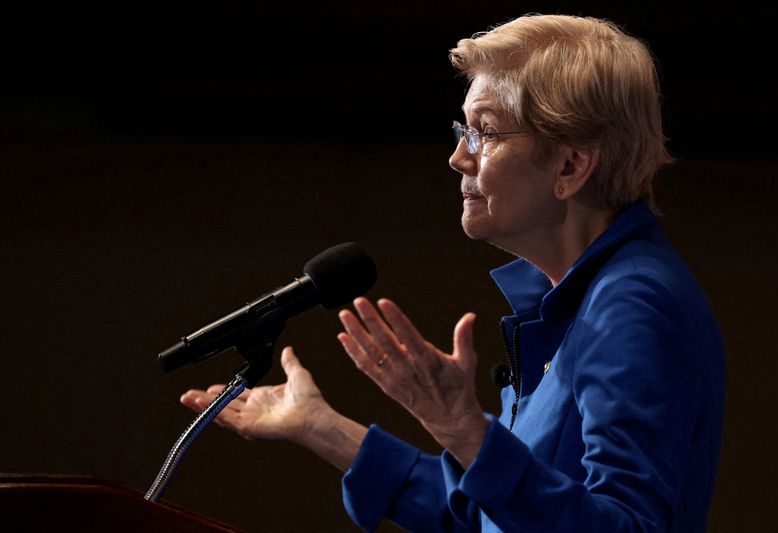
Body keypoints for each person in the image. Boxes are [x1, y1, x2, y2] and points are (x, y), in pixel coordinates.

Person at [180, 14, 725, 532]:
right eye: (464, 128)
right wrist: (322, 427)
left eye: (486, 131)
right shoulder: (581, 301)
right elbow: (486, 518)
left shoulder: (631, 306)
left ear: (570, 165)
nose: (459, 157)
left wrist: (466, 433)